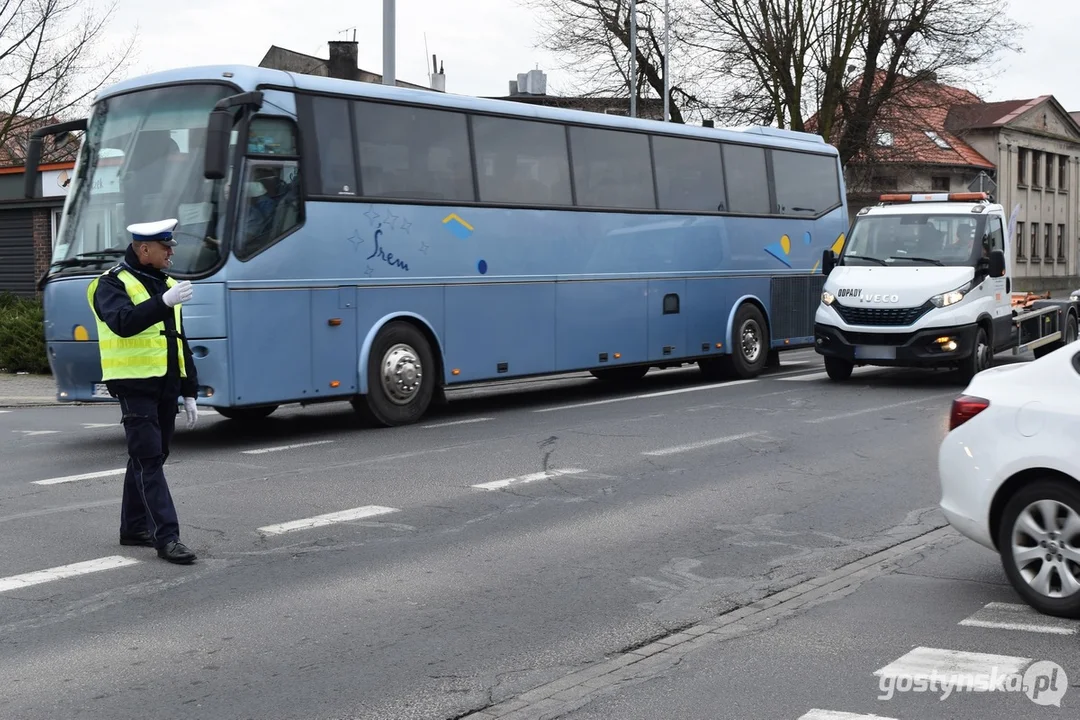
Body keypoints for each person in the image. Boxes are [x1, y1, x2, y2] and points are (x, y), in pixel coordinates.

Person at [87, 218, 199, 565]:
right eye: (166, 247)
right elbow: (123, 324)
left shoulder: (165, 282)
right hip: (134, 385)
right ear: (144, 249)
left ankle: (133, 527)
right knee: (150, 460)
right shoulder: (109, 284)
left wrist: (189, 389)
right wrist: (163, 302)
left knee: (149, 457)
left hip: (165, 383)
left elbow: (179, 341)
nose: (171, 252)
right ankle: (167, 537)